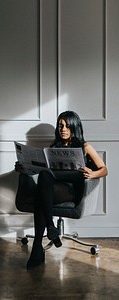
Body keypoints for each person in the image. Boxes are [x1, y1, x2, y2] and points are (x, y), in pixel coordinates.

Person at [15, 111, 108, 269]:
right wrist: (24, 168)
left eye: (67, 126)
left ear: (74, 127)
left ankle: (38, 248)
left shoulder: (85, 147)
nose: (63, 129)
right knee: (44, 176)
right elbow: (44, 171)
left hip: (71, 191)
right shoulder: (53, 147)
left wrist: (93, 173)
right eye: (60, 126)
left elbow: (104, 169)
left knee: (40, 196)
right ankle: (50, 228)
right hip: (52, 189)